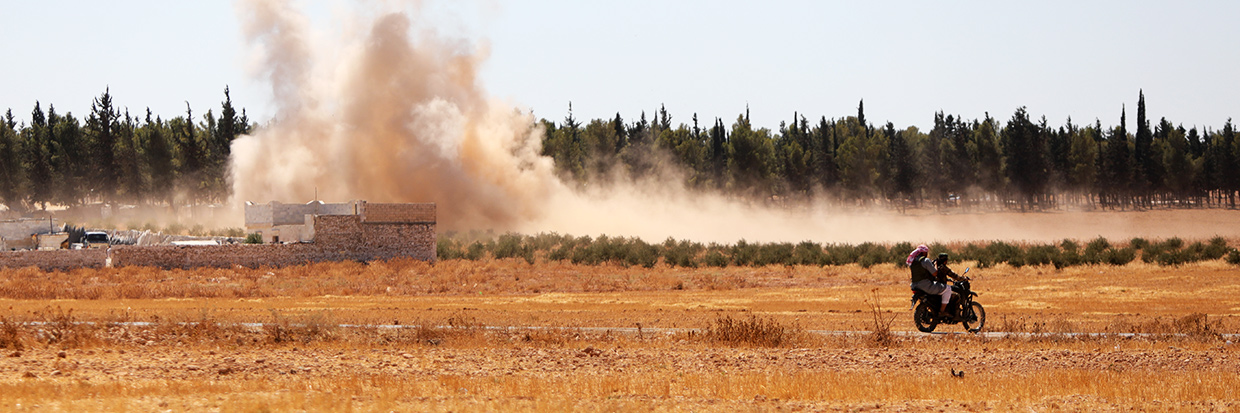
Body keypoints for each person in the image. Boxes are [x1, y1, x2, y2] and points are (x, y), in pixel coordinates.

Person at [907, 245, 967, 317]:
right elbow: (935, 273)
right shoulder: (926, 261)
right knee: (947, 288)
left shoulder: (913, 262)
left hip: (914, 285)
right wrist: (935, 265)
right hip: (925, 285)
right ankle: (942, 311)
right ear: (924, 253)